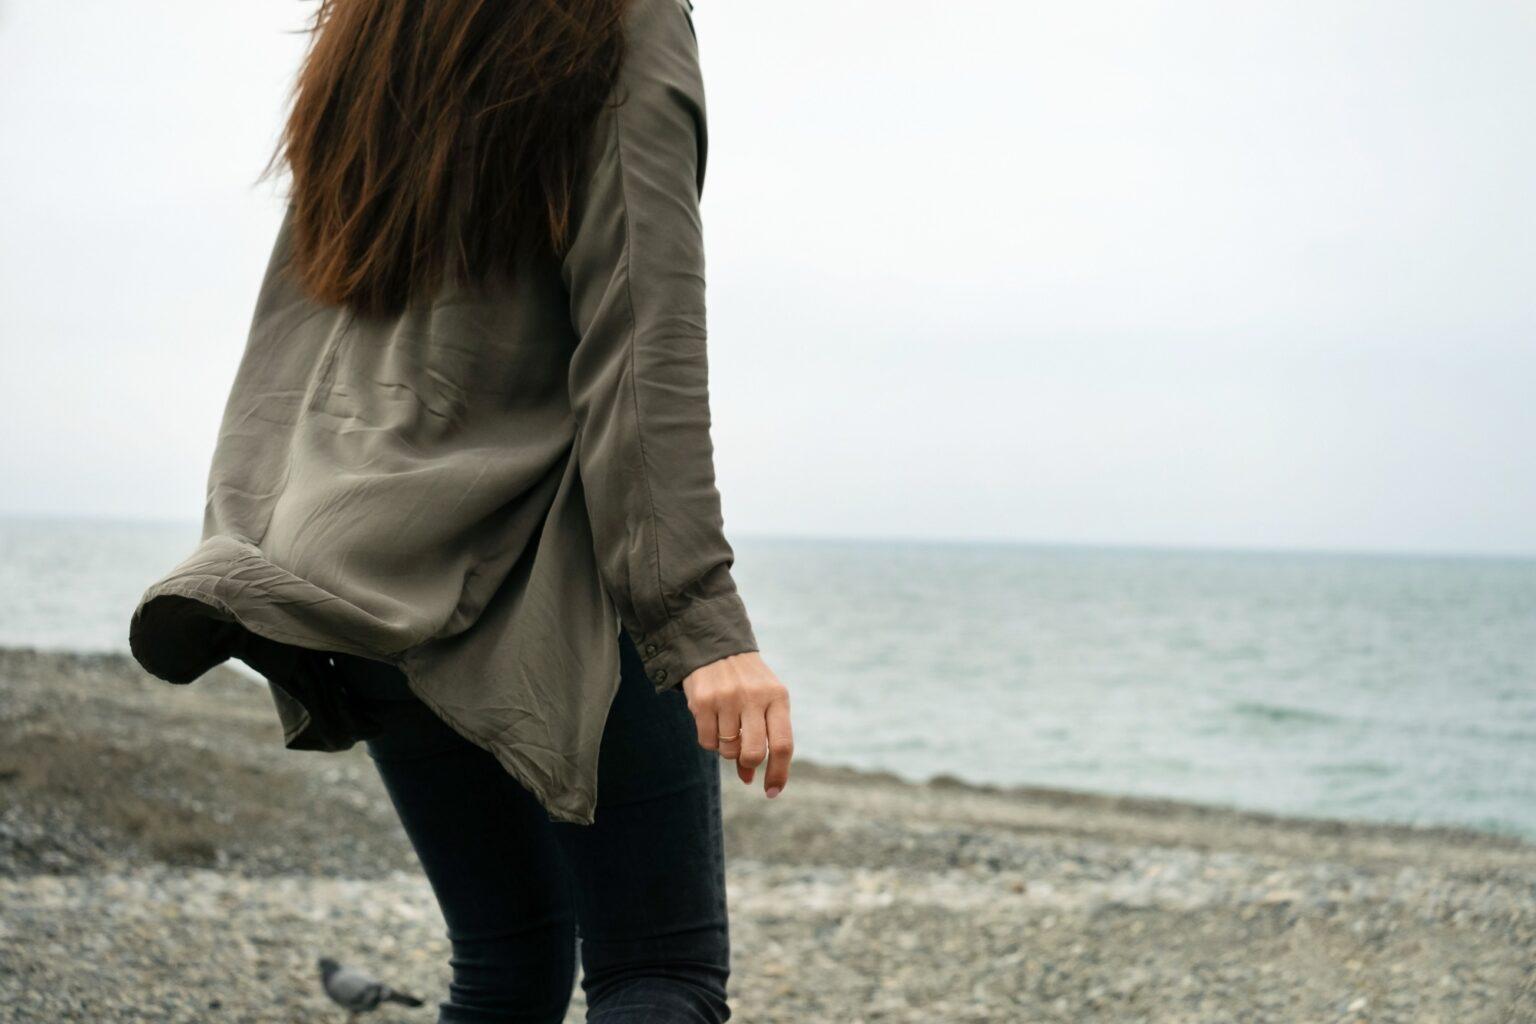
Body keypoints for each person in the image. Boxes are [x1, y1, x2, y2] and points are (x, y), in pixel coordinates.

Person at [126, 0, 794, 1020]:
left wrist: (264, 530)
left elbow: (298, 330)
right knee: (657, 974)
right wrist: (697, 618)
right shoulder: (620, 16)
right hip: (542, 570)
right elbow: (640, 332)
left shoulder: (376, 26)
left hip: (356, 563)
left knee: (507, 959)